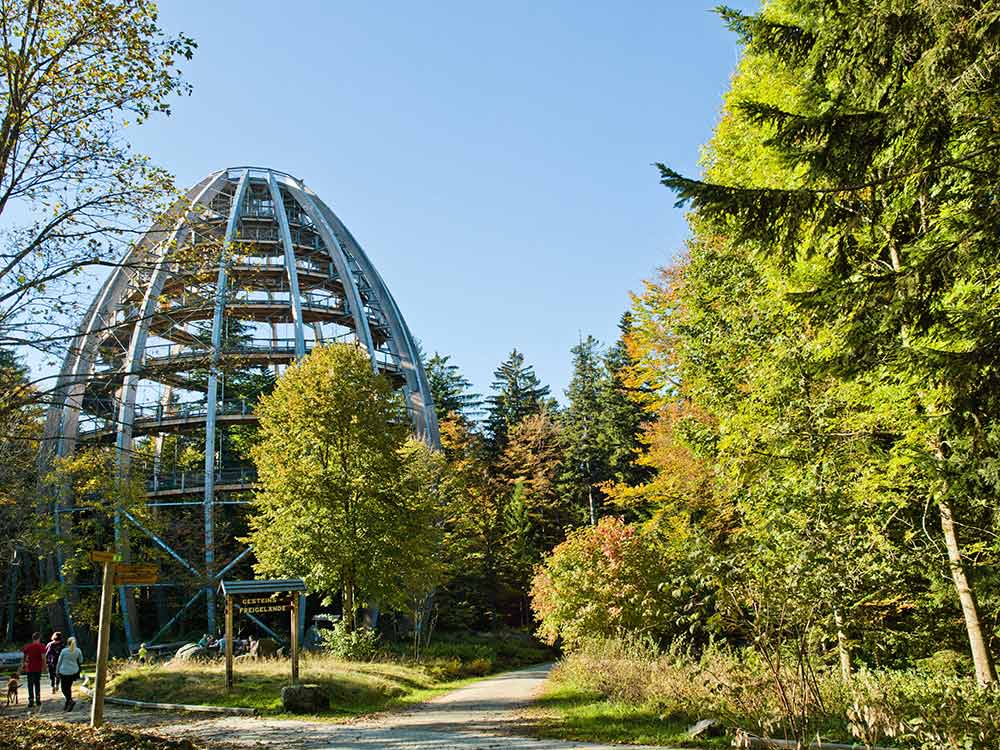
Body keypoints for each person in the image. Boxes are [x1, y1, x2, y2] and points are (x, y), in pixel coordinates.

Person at [55, 636, 83, 711]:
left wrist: (57, 671)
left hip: (64, 671)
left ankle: (70, 700)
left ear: (67, 643)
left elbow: (59, 662)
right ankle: (68, 702)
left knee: (64, 688)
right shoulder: (78, 650)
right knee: (68, 687)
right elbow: (81, 661)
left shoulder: (64, 651)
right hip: (73, 671)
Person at [20, 632, 45, 708]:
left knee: (30, 684)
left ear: (33, 638)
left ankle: (31, 700)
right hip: (38, 667)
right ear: (39, 638)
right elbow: (43, 657)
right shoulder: (41, 646)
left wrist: (23, 665)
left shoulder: (27, 646)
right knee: (37, 683)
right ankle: (38, 699)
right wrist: (45, 666)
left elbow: (23, 657)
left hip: (29, 668)